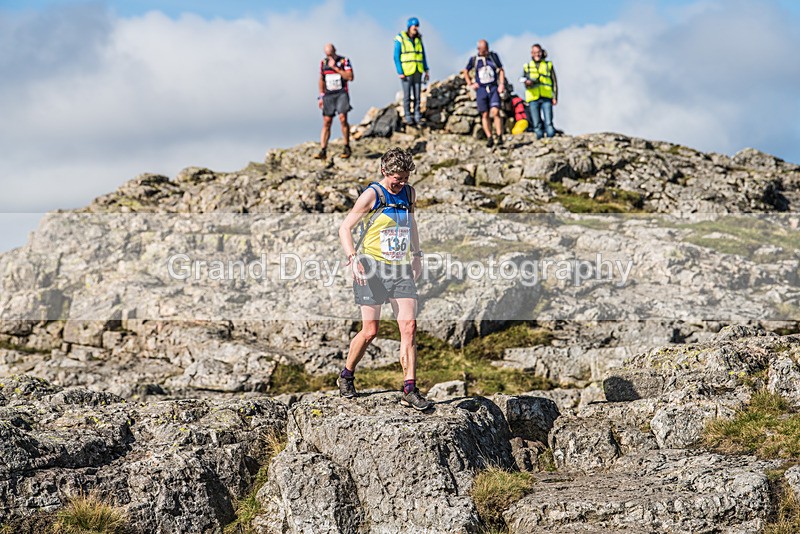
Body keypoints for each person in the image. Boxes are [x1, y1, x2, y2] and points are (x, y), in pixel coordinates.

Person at [337, 148, 431, 411]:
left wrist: (417, 255)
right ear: (384, 172)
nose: (400, 184)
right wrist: (353, 257)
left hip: (400, 269)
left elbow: (411, 223)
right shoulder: (373, 195)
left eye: (404, 179)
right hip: (371, 269)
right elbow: (345, 228)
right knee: (370, 331)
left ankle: (410, 389)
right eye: (396, 180)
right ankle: (346, 375)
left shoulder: (409, 193)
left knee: (409, 326)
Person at [462, 40, 506, 148]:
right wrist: (470, 83)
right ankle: (489, 137)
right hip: (481, 89)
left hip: (493, 87)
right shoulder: (474, 60)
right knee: (485, 114)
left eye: (484, 49)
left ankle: (500, 136)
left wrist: (501, 84)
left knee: (495, 111)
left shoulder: (493, 57)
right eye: (480, 49)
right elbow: (465, 71)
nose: (482, 51)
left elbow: (501, 69)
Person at [315, 43, 354, 160]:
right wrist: (321, 96)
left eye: (331, 54)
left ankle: (347, 146)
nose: (329, 57)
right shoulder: (323, 63)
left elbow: (350, 77)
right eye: (327, 55)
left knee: (343, 118)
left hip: (341, 93)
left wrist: (336, 69)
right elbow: (321, 79)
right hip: (328, 95)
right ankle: (323, 149)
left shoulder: (344, 61)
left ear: (335, 51)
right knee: (327, 121)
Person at [394, 17, 430, 128]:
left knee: (417, 95)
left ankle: (417, 116)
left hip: (417, 70)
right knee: (407, 95)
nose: (416, 28)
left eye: (417, 26)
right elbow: (396, 56)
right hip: (406, 71)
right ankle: (408, 116)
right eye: (414, 26)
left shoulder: (419, 39)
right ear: (409, 26)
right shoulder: (401, 38)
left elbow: (422, 55)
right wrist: (400, 71)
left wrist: (426, 69)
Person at [521, 43, 558, 139]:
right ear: (531, 53)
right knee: (536, 123)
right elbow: (523, 80)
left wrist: (555, 97)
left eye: (538, 52)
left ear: (541, 52)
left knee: (548, 122)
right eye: (534, 52)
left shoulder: (548, 65)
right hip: (533, 97)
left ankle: (551, 139)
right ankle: (540, 140)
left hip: (546, 96)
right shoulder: (527, 66)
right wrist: (527, 83)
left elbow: (554, 81)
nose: (537, 54)